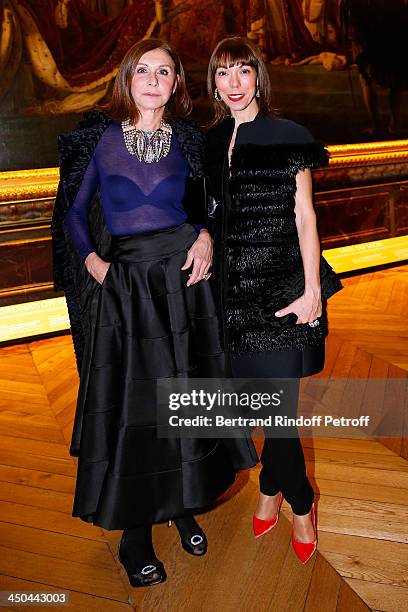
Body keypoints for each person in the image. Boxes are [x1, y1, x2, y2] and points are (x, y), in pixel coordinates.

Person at [51, 38, 257, 588]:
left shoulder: (190, 141)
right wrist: (94, 262)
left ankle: (181, 502)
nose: (151, 79)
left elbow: (207, 204)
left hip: (183, 283)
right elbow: (72, 213)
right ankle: (134, 533)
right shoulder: (99, 139)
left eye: (163, 72)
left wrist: (207, 235)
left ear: (175, 85)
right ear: (126, 78)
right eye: (142, 70)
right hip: (127, 285)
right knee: (138, 406)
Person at [205, 36, 343, 564]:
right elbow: (209, 216)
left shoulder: (289, 135)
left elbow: (306, 216)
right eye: (224, 74)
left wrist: (312, 289)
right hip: (232, 297)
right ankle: (269, 485)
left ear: (258, 77)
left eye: (243, 71)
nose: (234, 84)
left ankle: (299, 504)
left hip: (285, 288)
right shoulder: (212, 142)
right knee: (261, 406)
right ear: (214, 82)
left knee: (278, 412)